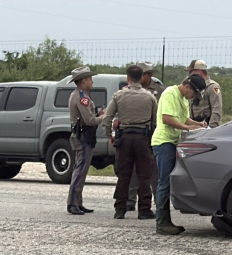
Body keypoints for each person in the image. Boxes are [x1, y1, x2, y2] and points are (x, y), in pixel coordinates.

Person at [152, 74, 208, 235]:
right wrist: (186, 128)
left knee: (169, 181)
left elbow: (184, 118)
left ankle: (165, 221)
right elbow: (167, 119)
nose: (193, 97)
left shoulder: (183, 99)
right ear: (187, 86)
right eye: (194, 94)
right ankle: (162, 222)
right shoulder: (170, 93)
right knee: (164, 182)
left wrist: (197, 124)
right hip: (163, 142)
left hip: (173, 142)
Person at [103, 64, 158, 220]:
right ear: (141, 78)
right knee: (144, 175)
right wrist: (151, 138)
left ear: (128, 78)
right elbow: (155, 122)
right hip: (143, 138)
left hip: (125, 138)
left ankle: (120, 209)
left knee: (124, 175)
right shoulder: (150, 97)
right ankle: (144, 209)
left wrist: (109, 136)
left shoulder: (119, 96)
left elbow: (107, 118)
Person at [127, 61, 165, 211]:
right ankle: (130, 200)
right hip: (137, 133)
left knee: (154, 168)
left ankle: (158, 199)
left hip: (153, 132)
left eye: (147, 74)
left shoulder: (159, 89)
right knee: (133, 168)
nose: (145, 76)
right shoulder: (129, 89)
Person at [67, 67, 105, 215]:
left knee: (81, 169)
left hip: (83, 136)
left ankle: (78, 202)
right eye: (89, 79)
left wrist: (97, 114)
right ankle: (72, 203)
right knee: (80, 170)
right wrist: (103, 117)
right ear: (84, 81)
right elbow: (89, 120)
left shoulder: (82, 95)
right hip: (83, 136)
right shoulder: (81, 97)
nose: (92, 81)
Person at [185, 59, 222, 128]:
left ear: (198, 71)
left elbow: (217, 108)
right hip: (194, 125)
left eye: (191, 71)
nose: (190, 74)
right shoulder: (192, 85)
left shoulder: (213, 87)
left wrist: (211, 127)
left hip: (206, 126)